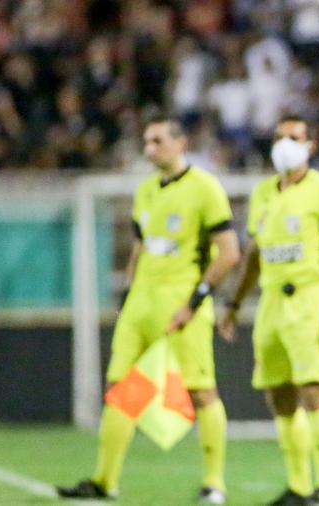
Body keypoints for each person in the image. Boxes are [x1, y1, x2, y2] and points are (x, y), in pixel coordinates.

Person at [57, 115, 241, 504]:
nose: (149, 149)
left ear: (180, 143)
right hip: (141, 302)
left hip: (181, 302)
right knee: (120, 388)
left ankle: (215, 484)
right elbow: (141, 248)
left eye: (157, 141)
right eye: (146, 141)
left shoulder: (205, 188)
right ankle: (104, 481)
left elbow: (230, 253)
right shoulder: (145, 191)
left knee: (201, 391)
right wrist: (128, 295)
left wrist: (195, 300)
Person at [218, 116, 319, 506]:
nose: (283, 144)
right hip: (271, 301)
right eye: (278, 137)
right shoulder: (264, 192)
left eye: (293, 137)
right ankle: (298, 487)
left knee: (313, 390)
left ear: (310, 146)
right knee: (278, 394)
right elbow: (254, 255)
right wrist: (233, 303)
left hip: (311, 298)